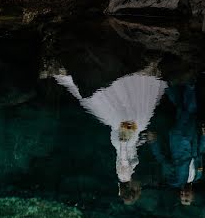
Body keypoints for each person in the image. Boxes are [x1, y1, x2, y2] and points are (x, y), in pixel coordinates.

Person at [53, 66, 168, 200]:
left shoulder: (124, 175)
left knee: (130, 112)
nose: (140, 186)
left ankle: (123, 74)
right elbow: (130, 152)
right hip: (126, 140)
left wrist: (124, 138)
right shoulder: (126, 175)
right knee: (129, 109)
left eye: (138, 189)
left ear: (132, 188)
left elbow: (124, 156)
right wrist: (141, 140)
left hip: (124, 139)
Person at [144, 82, 205, 205]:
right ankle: (167, 83)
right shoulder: (198, 176)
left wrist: (154, 143)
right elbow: (200, 153)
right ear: (193, 196)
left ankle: (191, 82)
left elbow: (162, 160)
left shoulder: (174, 180)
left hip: (179, 137)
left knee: (190, 111)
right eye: (187, 198)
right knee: (183, 109)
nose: (183, 195)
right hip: (192, 136)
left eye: (182, 198)